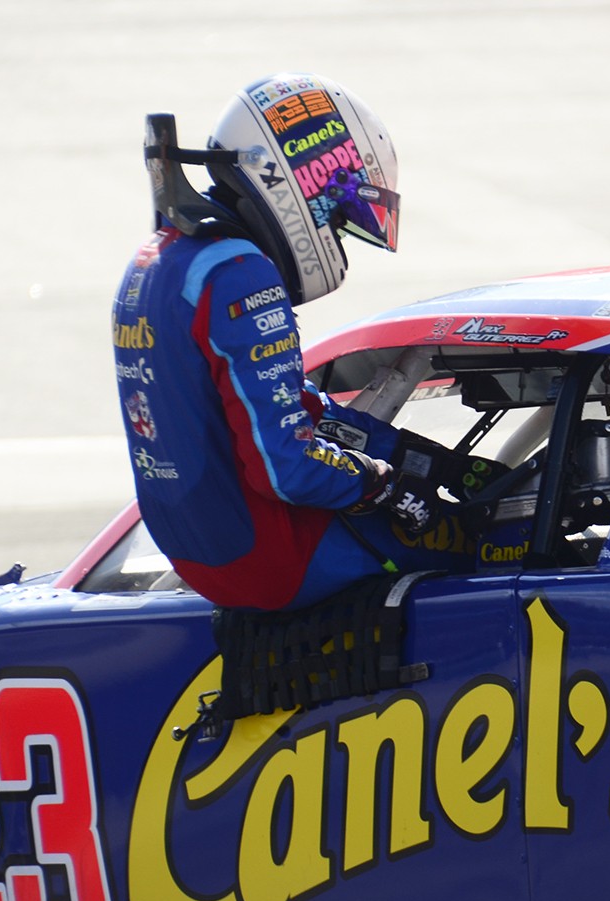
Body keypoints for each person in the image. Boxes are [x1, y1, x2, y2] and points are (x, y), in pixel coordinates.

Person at [111, 73, 467, 611]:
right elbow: (287, 467)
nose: (338, 236)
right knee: (489, 546)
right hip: (271, 556)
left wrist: (412, 455)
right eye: (340, 218)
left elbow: (281, 408)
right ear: (300, 183)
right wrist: (382, 482)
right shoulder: (240, 274)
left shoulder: (160, 258)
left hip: (200, 552)